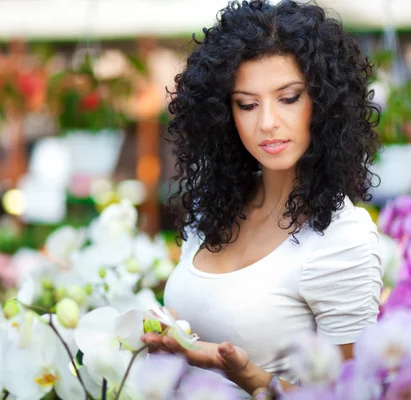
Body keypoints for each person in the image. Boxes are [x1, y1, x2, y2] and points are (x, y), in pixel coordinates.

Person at [141, 0, 383, 397]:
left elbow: (353, 393)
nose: (267, 122)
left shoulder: (341, 238)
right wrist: (169, 341)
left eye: (288, 98)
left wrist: (252, 377)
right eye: (247, 104)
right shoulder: (214, 209)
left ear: (324, 104)